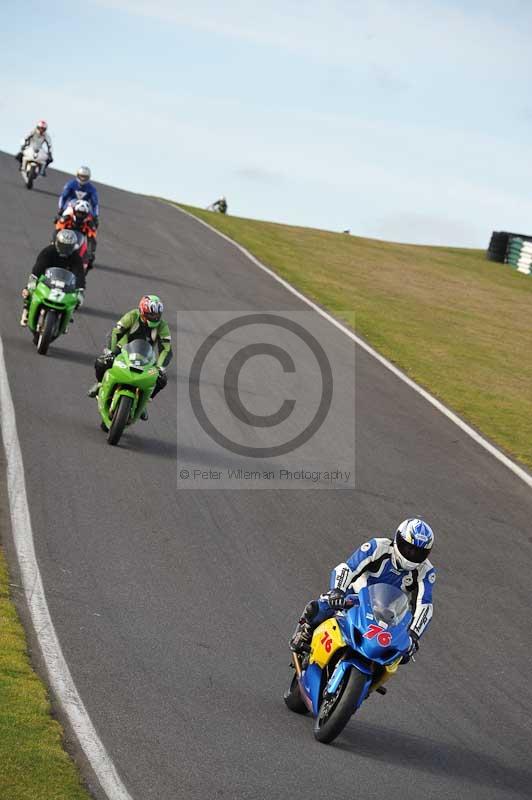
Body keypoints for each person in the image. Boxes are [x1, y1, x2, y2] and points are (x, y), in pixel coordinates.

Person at [290, 518, 436, 663]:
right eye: (408, 548)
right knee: (322, 606)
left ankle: (375, 674)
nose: (411, 554)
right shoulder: (378, 547)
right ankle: (304, 632)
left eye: (418, 552)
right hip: (354, 599)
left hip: (389, 616)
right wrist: (337, 591)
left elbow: (424, 604)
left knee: (402, 654)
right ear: (398, 540)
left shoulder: (426, 571)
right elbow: (348, 568)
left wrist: (414, 634)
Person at [87, 295, 172, 419]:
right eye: (151, 314)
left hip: (146, 356)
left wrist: (160, 367)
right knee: (102, 362)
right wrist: (111, 352)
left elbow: (166, 349)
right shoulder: (132, 315)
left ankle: (144, 403)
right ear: (142, 312)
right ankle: (100, 384)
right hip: (123, 350)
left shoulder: (162, 326)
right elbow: (115, 332)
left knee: (162, 379)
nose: (155, 317)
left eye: (157, 315)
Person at [20, 229, 86, 326]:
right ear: (57, 242)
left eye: (68, 247)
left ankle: (67, 318)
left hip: (66, 281)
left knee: (77, 300)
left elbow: (79, 274)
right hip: (47, 277)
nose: (65, 249)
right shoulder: (49, 251)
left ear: (73, 246)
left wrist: (80, 289)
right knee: (28, 290)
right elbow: (39, 266)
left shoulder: (76, 257)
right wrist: (34, 278)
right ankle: (26, 309)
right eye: (63, 245)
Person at [55, 200, 98, 266]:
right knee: (49, 252)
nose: (80, 215)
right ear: (74, 211)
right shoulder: (66, 218)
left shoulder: (90, 224)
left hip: (79, 244)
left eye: (82, 214)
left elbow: (91, 240)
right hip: (64, 241)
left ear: (87, 214)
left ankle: (82, 269)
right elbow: (57, 231)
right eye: (78, 213)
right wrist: (54, 243)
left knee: (88, 261)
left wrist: (91, 253)